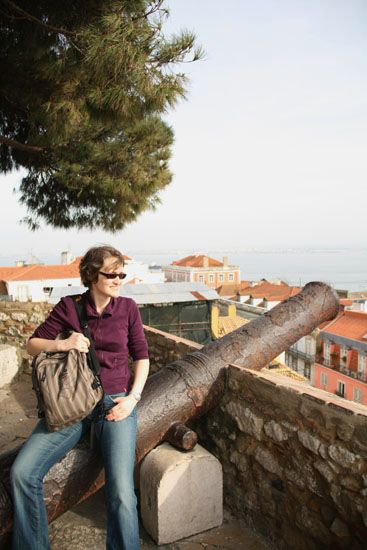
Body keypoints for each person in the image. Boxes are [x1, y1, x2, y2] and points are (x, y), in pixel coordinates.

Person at [10, 245, 149, 550]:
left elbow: (142, 357)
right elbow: (32, 345)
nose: (118, 279)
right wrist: (64, 344)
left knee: (122, 493)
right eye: (111, 273)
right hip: (71, 404)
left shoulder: (127, 308)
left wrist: (132, 399)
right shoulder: (69, 307)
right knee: (22, 473)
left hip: (115, 404)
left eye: (121, 273)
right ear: (91, 275)